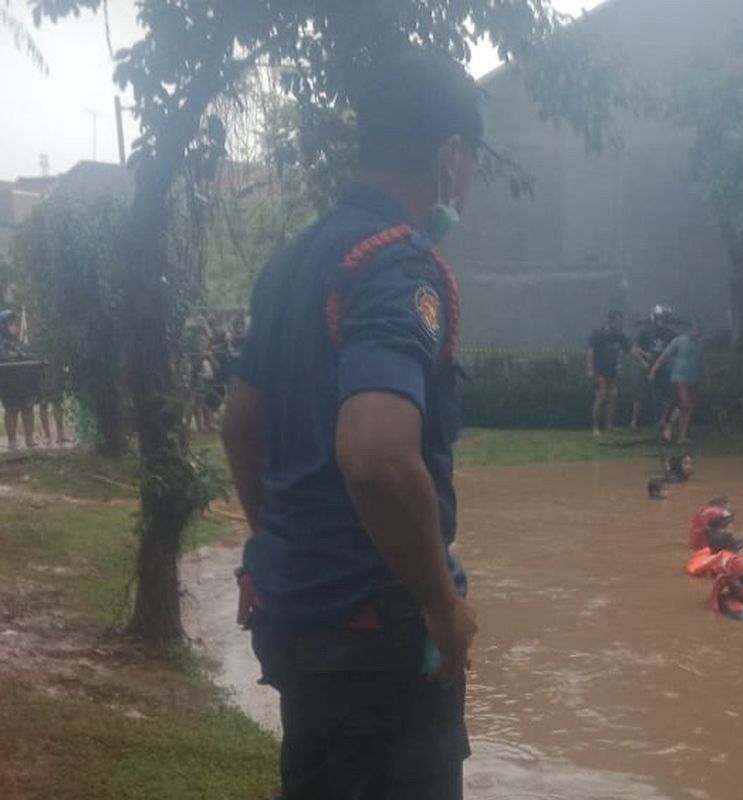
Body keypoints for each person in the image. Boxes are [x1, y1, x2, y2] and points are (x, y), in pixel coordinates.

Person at [220, 51, 483, 800]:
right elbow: (376, 455)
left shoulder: (295, 260)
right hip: (382, 641)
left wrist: (291, 549)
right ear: (450, 160)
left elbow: (239, 424)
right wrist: (441, 604)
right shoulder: (397, 266)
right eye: (470, 171)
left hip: (298, 626)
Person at [586, 310, 644, 438]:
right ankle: (595, 427)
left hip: (612, 371)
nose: (620, 324)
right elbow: (590, 351)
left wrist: (642, 361)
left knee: (613, 396)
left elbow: (630, 350)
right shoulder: (598, 333)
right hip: (599, 370)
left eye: (620, 321)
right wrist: (590, 368)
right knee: (601, 396)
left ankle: (608, 425)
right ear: (611, 321)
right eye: (618, 321)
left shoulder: (619, 336)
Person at [650, 319, 704, 445]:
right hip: (679, 378)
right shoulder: (679, 341)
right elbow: (664, 356)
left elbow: (701, 361)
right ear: (691, 329)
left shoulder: (700, 345)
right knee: (684, 404)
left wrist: (706, 376)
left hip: (693, 379)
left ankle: (681, 436)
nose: (697, 332)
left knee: (688, 408)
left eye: (699, 330)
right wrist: (653, 371)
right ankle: (668, 428)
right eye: (695, 329)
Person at [629, 304, 677, 430]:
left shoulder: (670, 333)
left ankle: (662, 420)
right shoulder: (645, 332)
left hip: (663, 367)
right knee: (640, 395)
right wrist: (644, 357)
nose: (661, 319)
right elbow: (634, 349)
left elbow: (674, 349)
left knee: (666, 394)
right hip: (647, 366)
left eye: (663, 317)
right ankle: (634, 421)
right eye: (659, 317)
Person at [0, 309, 36, 450]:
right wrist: (18, 355)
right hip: (9, 383)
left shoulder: (19, 342)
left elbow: (29, 353)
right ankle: (12, 440)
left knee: (28, 409)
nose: (13, 326)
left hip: (24, 381)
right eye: (10, 323)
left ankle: (29, 438)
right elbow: (5, 356)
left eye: (14, 323)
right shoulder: (1, 342)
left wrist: (23, 353)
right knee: (11, 411)